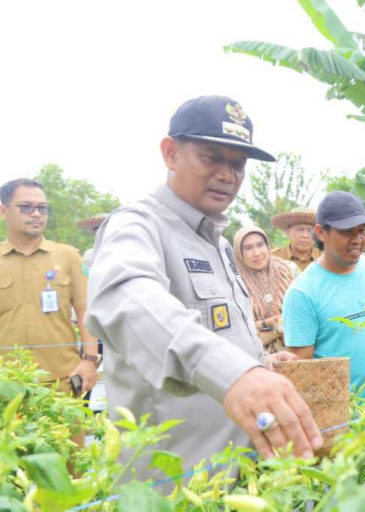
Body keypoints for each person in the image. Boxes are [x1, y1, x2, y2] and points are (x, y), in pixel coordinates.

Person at [85, 95, 322, 479]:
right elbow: (124, 297)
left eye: (238, 165)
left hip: (236, 474)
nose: (228, 175)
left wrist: (258, 364)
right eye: (212, 157)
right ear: (170, 153)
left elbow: (218, 331)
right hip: (175, 484)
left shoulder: (220, 245)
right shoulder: (138, 224)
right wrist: (235, 375)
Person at [282, 191, 365, 399]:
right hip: (344, 421)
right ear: (321, 232)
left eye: (362, 230)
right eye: (347, 232)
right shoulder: (302, 293)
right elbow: (301, 373)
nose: (358, 239)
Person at [0, 178, 100, 394]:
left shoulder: (68, 257)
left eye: (42, 208)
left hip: (63, 381)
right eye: (26, 207)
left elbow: (86, 309)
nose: (36, 214)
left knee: (68, 429)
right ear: (3, 211)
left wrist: (90, 360)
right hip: (6, 384)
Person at [233, 225, 299, 353]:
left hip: (296, 353)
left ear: (268, 246)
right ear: (239, 253)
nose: (257, 253)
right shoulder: (234, 283)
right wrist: (274, 328)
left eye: (260, 245)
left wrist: (262, 326)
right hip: (257, 360)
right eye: (248, 248)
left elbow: (306, 312)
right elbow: (238, 331)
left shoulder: (290, 270)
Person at [271, 208, 322, 272]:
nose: (305, 235)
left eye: (310, 230)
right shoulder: (273, 258)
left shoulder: (326, 260)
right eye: (300, 229)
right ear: (288, 232)